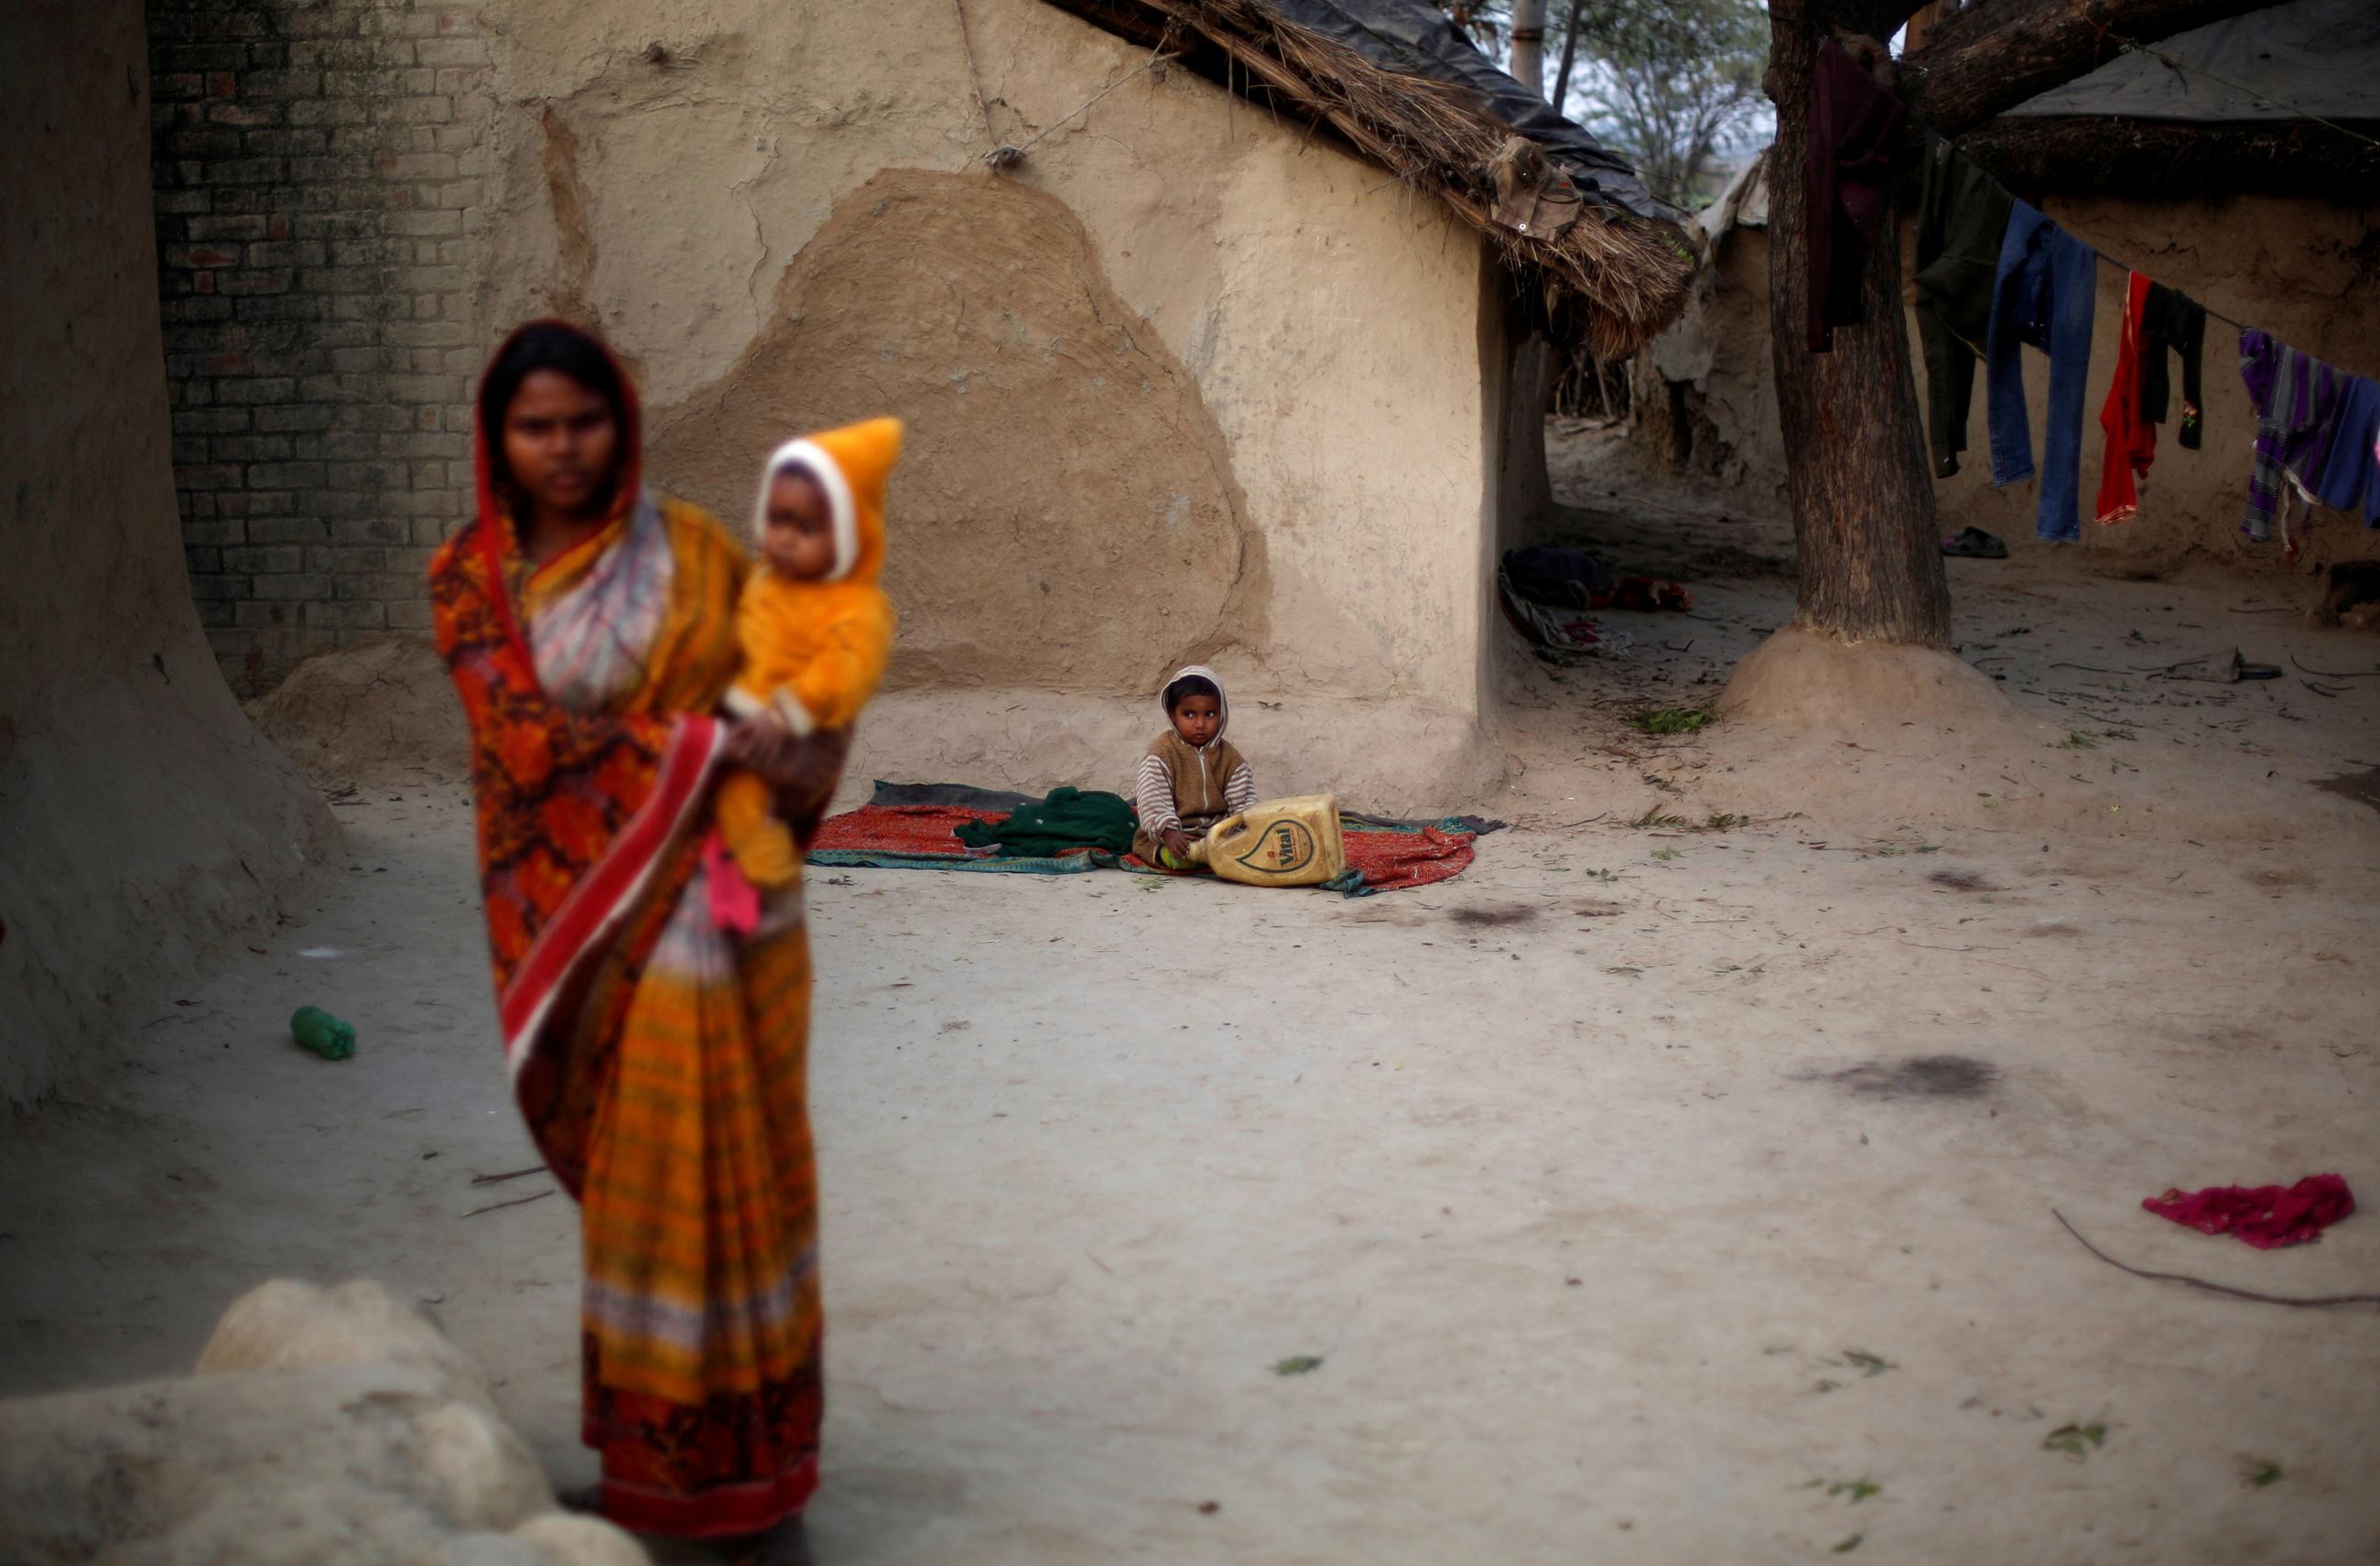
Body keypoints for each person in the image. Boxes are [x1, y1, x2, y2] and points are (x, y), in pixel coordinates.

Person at [429, 319, 838, 1566]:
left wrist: (798, 736)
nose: (564, 448)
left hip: (723, 915)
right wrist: (715, 744)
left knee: (736, 1181)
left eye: (585, 421)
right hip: (581, 922)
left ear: (626, 422)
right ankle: (659, 1465)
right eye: (536, 426)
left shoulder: (700, 556)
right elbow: (525, 748)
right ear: (499, 440)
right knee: (642, 1190)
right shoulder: (472, 578)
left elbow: (797, 704)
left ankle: (758, 1469)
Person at [715, 420, 902, 890]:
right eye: (778, 520)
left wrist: (783, 715)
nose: (786, 538)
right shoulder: (764, 585)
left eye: (807, 527)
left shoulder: (857, 610)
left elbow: (840, 672)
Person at [1130, 664, 1257, 869]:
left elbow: (1243, 803)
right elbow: (1153, 798)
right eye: (1189, 714)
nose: (1200, 724)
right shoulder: (1162, 754)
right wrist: (1168, 832)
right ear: (1172, 714)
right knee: (1179, 857)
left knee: (1246, 851)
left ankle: (1214, 856)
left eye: (1210, 714)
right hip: (1174, 835)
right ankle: (1187, 858)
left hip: (1216, 834)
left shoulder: (1230, 759)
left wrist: (1244, 829)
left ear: (1222, 713)